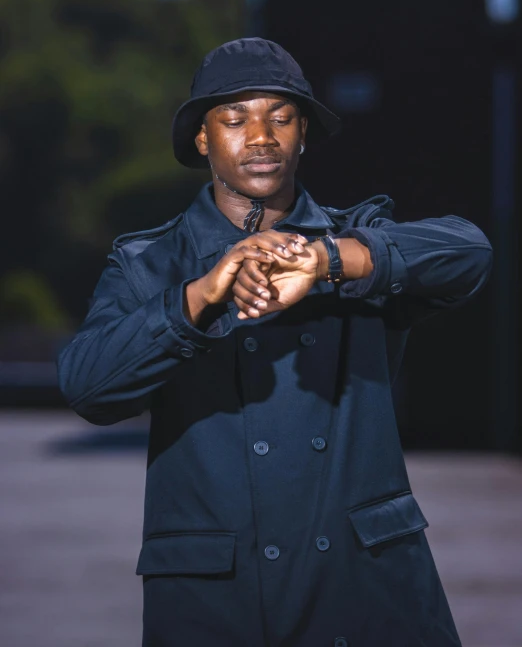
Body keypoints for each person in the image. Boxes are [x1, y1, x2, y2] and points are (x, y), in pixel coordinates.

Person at [57, 37, 492, 647]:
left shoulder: (355, 240)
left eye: (280, 117)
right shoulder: (148, 263)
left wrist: (328, 259)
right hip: (217, 597)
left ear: (303, 132)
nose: (260, 135)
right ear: (203, 138)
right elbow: (86, 386)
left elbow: (470, 252)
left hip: (362, 583)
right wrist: (201, 294)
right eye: (235, 119)